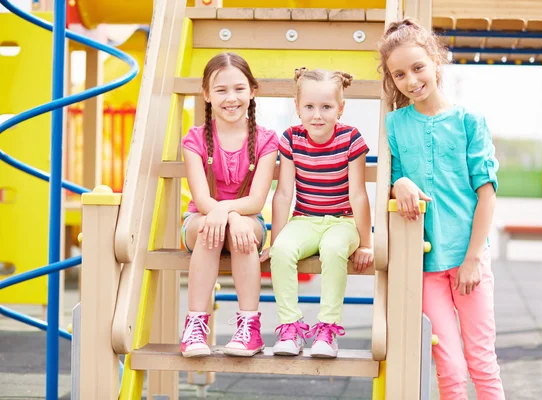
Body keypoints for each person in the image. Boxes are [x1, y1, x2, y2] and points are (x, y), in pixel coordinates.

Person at [378, 18, 505, 399]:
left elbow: (487, 194)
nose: (410, 80)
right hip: (425, 265)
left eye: (417, 67)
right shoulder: (395, 124)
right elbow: (391, 177)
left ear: (436, 61)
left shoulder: (469, 121)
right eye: (398, 74)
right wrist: (397, 182)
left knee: (481, 361)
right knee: (448, 367)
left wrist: (470, 260)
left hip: (469, 262)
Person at [259, 67, 374, 358]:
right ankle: (290, 327)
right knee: (282, 250)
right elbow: (284, 193)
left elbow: (358, 193)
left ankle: (327, 328)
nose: (317, 115)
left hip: (342, 221)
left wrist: (366, 242)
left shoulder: (351, 139)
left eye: (326, 107)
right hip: (304, 219)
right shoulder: (291, 139)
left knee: (334, 248)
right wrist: (275, 239)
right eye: (309, 107)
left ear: (340, 108)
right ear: (297, 107)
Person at [179, 52, 278, 358]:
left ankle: (249, 326)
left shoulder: (266, 139)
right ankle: (195, 325)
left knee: (243, 234)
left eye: (239, 88)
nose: (231, 98)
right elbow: (202, 199)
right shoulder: (195, 139)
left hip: (248, 223)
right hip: (202, 220)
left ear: (252, 91)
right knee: (211, 229)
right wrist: (224, 214)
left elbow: (257, 200)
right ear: (207, 95)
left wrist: (233, 216)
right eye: (221, 90)